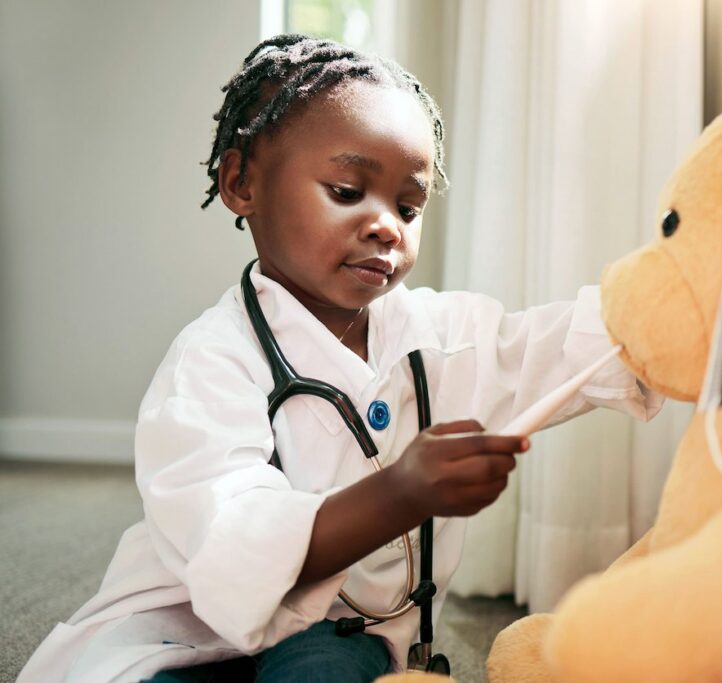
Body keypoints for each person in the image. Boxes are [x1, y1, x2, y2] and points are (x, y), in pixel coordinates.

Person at [17, 35, 661, 683]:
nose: (387, 224)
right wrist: (399, 492)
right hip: (187, 627)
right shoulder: (211, 362)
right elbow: (233, 544)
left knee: (323, 674)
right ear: (241, 183)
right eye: (348, 191)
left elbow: (558, 347)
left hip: (336, 628)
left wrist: (671, 301)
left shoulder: (443, 333)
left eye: (408, 207)